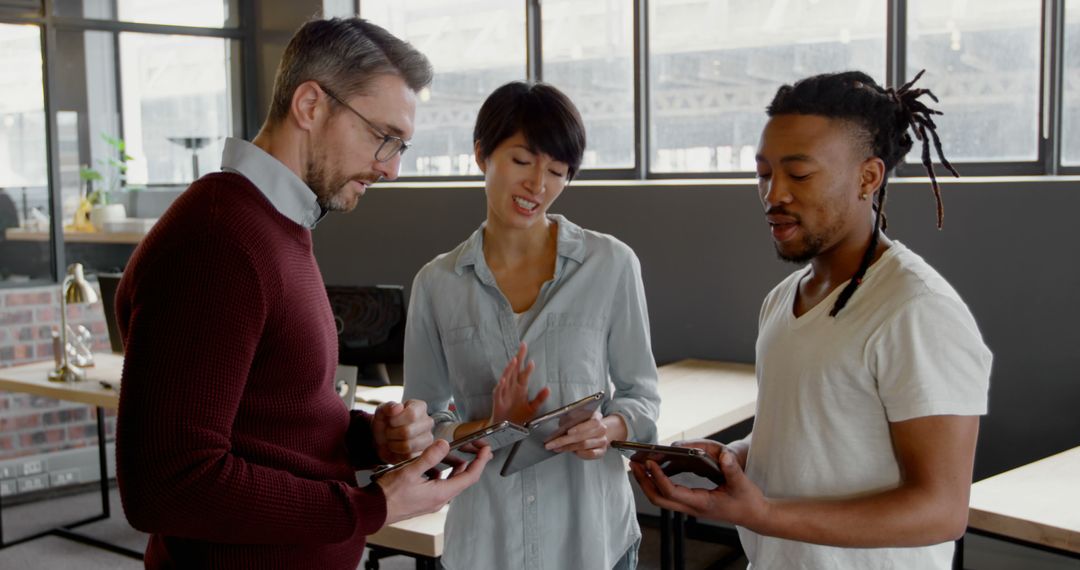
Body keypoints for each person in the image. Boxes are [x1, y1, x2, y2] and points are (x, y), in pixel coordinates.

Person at [114, 18, 490, 569]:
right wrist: (372, 506)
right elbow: (168, 484)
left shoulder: (273, 223)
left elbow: (270, 419)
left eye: (402, 146)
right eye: (383, 137)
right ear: (311, 105)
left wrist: (369, 440)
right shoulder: (218, 240)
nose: (391, 169)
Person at [631, 70, 992, 569]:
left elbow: (941, 511)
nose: (773, 194)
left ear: (869, 177)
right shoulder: (784, 298)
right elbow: (809, 438)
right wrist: (730, 458)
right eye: (763, 173)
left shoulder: (917, 310)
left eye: (798, 175)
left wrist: (764, 514)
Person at [402, 81, 661, 570]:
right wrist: (493, 426)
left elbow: (642, 396)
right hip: (486, 546)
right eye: (522, 161)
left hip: (593, 540)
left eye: (557, 171)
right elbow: (425, 430)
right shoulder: (436, 284)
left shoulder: (611, 265)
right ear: (482, 154)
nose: (538, 185)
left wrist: (609, 428)